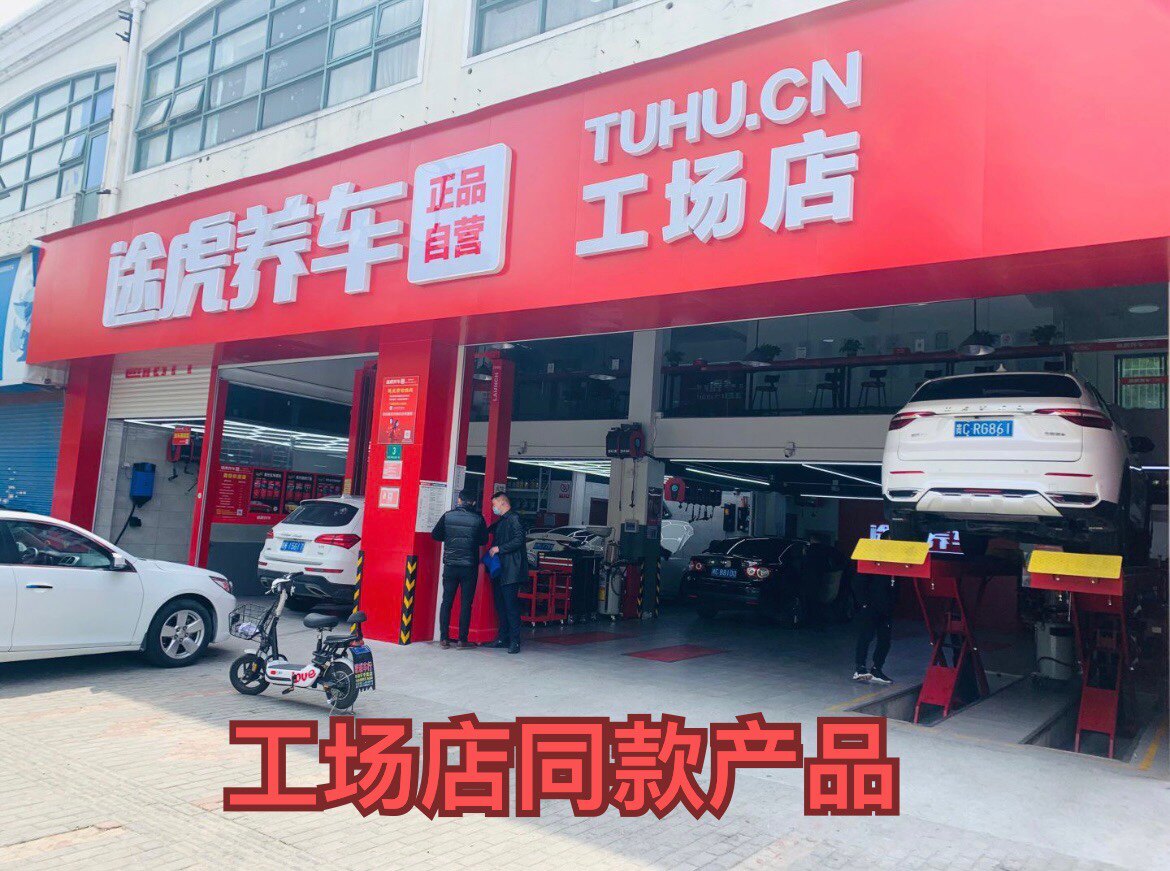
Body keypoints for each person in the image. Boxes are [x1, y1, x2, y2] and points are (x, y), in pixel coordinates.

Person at [431, 489, 488, 650]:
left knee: (447, 601)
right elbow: (483, 540)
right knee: (466, 603)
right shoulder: (478, 519)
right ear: (474, 502)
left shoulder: (448, 516)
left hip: (450, 565)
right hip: (469, 567)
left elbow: (435, 535)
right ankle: (462, 640)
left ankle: (444, 639)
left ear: (459, 500)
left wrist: (450, 537)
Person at [487, 491, 528, 654]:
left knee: (511, 607)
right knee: (501, 606)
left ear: (503, 503)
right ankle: (502, 638)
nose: (493, 507)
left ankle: (515, 641)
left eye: (494, 504)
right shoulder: (502, 520)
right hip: (500, 569)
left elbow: (519, 539)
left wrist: (500, 548)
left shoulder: (514, 518)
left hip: (511, 570)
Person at [853, 569, 898, 684]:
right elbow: (859, 582)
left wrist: (892, 605)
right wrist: (864, 603)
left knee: (885, 640)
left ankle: (877, 669)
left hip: (886, 609)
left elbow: (895, 588)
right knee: (866, 636)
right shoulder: (870, 564)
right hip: (870, 607)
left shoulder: (894, 569)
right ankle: (860, 669)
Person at [801, 531, 846, 625]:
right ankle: (820, 621)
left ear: (811, 539)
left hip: (809, 578)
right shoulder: (827, 549)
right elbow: (841, 559)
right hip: (824, 577)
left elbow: (804, 564)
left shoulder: (808, 550)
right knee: (821, 601)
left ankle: (811, 620)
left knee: (810, 600)